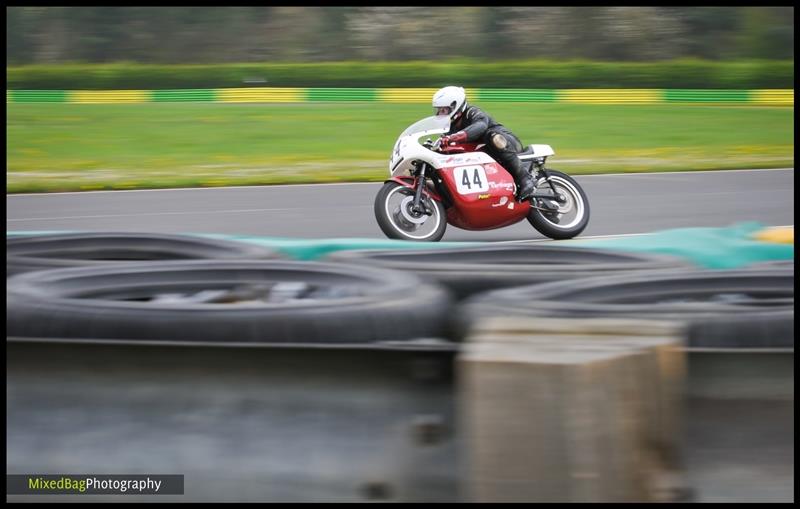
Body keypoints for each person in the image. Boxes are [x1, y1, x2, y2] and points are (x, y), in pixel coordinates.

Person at [433, 86, 536, 201]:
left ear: (455, 107)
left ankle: (525, 179)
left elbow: (481, 125)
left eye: (443, 110)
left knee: (492, 136)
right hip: (487, 153)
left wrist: (458, 136)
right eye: (438, 110)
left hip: (507, 142)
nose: (439, 114)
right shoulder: (450, 127)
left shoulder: (472, 112)